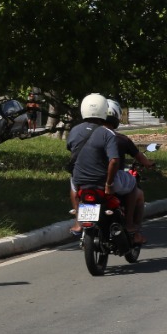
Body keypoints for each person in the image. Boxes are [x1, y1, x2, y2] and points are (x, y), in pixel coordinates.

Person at [66, 93, 120, 235]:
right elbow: (114, 160)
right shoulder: (107, 133)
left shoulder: (74, 131)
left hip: (79, 180)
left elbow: (71, 149)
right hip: (101, 181)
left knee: (72, 183)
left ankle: (78, 222)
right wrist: (108, 184)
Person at [104, 99, 156, 244]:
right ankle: (131, 226)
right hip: (111, 179)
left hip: (88, 178)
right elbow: (140, 158)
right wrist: (149, 163)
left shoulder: (86, 136)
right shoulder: (119, 139)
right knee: (136, 189)